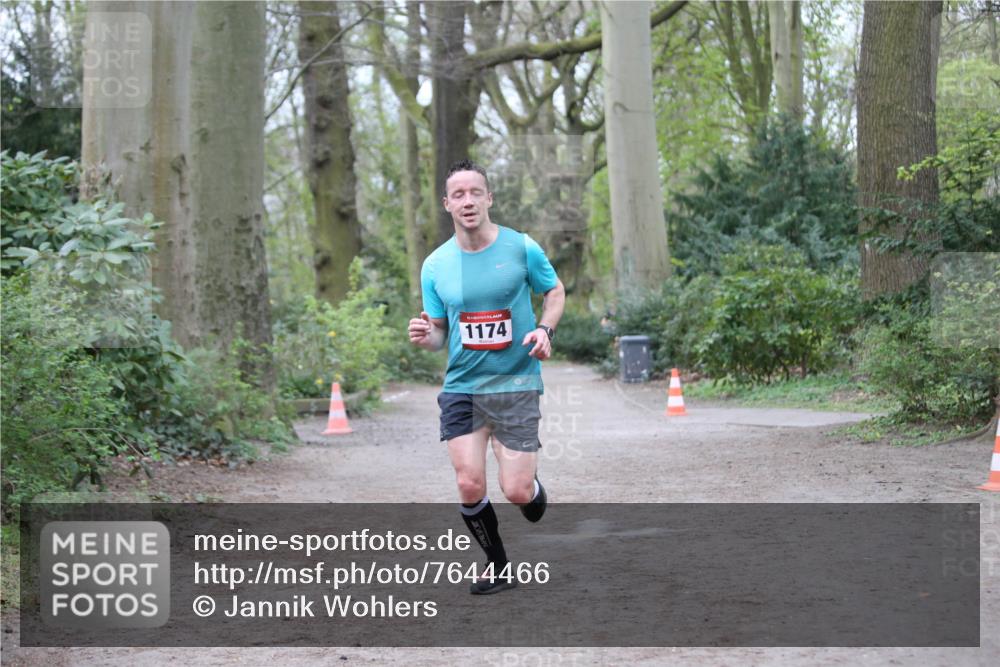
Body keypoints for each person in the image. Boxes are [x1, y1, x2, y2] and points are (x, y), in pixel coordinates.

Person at [408, 158, 565, 595]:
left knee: (516, 492)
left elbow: (554, 291)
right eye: (458, 194)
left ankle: (531, 489)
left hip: (516, 383)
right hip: (463, 387)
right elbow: (439, 333)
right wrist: (427, 335)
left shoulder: (521, 248)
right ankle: (498, 566)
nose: (468, 200)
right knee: (468, 481)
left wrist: (544, 329)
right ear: (447, 204)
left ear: (489, 198)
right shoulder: (435, 265)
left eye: (475, 192)